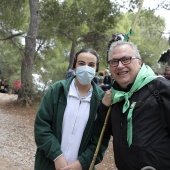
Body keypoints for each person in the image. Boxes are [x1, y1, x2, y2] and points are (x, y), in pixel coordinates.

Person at [34, 48, 110, 170]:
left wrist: (81, 163)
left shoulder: (102, 100)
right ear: (74, 66)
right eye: (81, 63)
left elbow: (100, 140)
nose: (86, 68)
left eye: (91, 65)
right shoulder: (57, 90)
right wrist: (56, 156)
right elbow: (41, 126)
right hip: (48, 164)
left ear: (96, 69)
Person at [99, 41, 170, 170]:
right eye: (114, 62)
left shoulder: (161, 88)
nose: (120, 66)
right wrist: (103, 107)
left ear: (139, 61)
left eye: (126, 59)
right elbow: (112, 131)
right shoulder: (116, 96)